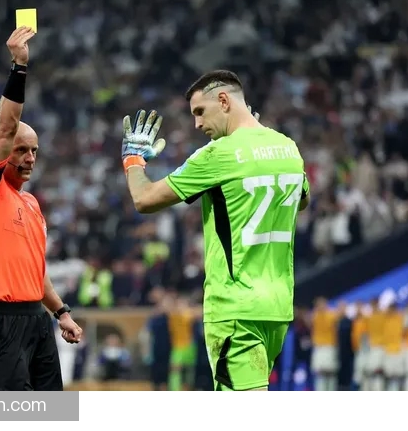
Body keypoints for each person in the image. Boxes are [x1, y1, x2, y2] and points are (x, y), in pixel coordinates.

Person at [121, 70, 310, 391]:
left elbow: (144, 199)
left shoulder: (217, 154)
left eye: (200, 111)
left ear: (224, 101)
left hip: (234, 309)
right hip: (277, 308)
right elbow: (302, 200)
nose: (197, 124)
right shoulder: (288, 147)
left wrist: (133, 160)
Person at [0, 26, 83, 391]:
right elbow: (6, 127)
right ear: (3, 152)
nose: (30, 158)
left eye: (34, 151)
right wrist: (19, 66)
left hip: (36, 318)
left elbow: (34, 271)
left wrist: (60, 312)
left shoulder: (31, 203)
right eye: (21, 150)